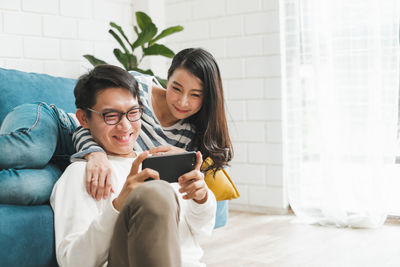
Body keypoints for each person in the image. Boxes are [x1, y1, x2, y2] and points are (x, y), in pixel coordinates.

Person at [50, 64, 216, 267]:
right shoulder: (82, 173)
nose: (126, 126)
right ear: (84, 118)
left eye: (133, 112)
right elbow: (73, 262)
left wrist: (202, 198)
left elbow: (202, 229)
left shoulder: (160, 161)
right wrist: (119, 206)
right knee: (154, 194)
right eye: (111, 116)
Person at [73, 48, 233, 200]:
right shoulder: (137, 90)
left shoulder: (193, 130)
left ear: (207, 98)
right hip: (91, 150)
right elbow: (84, 126)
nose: (182, 102)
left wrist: (184, 160)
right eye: (176, 89)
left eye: (195, 95)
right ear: (167, 80)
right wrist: (96, 155)